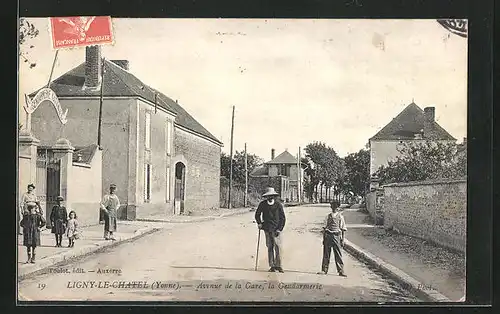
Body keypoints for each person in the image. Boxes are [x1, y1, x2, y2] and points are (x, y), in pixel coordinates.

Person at [255, 187, 286, 273]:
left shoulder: (278, 205)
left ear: (274, 196)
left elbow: (283, 218)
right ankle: (272, 266)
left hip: (276, 230)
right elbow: (257, 214)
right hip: (267, 229)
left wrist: (280, 229)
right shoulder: (262, 204)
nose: (270, 197)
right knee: (270, 247)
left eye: (272, 195)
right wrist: (259, 223)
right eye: (268, 196)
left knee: (278, 248)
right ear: (266, 197)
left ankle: (278, 265)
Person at [317, 202, 348, 277]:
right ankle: (324, 270)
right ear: (331, 208)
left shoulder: (340, 217)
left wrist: (342, 239)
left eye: (336, 207)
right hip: (328, 235)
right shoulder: (328, 216)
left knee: (338, 253)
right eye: (333, 207)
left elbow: (343, 229)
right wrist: (324, 238)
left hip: (336, 236)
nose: (334, 208)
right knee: (326, 253)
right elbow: (324, 228)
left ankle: (341, 270)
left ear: (338, 208)